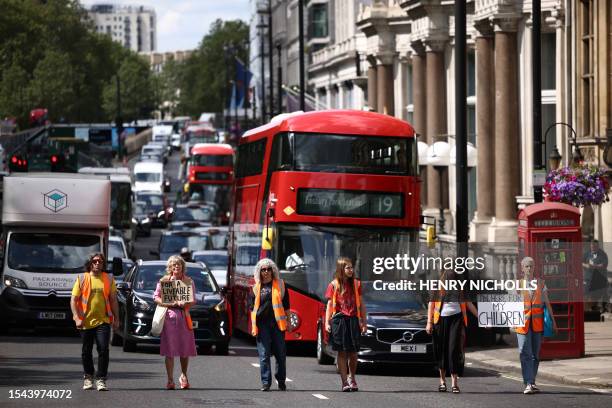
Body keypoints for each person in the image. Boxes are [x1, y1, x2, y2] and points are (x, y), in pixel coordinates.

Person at [70, 252, 120, 391]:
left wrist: (117, 319)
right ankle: (88, 377)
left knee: (103, 349)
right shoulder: (82, 278)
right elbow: (73, 300)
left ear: (103, 264)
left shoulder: (109, 279)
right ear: (90, 263)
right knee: (86, 351)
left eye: (100, 262)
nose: (97, 263)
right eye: (95, 261)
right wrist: (76, 317)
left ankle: (101, 379)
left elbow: (113, 300)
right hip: (85, 321)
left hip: (103, 321)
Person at [426, 270, 478, 394]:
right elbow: (431, 305)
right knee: (441, 350)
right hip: (440, 321)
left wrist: (481, 318)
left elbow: (468, 304)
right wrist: (429, 322)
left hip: (456, 319)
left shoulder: (459, 288)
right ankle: (442, 382)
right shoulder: (438, 288)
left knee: (453, 349)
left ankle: (454, 383)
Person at [514, 257, 557, 394]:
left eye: (531, 266)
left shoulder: (541, 283)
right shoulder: (517, 284)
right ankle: (528, 383)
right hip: (522, 324)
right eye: (526, 266)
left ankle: (531, 382)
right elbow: (509, 305)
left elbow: (547, 303)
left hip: (537, 325)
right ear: (522, 268)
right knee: (524, 353)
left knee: (535, 355)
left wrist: (553, 320)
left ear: (534, 268)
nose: (529, 268)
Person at [153, 255, 197, 390]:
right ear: (170, 268)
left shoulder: (189, 281)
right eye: (174, 265)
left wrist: (187, 303)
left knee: (185, 350)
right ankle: (170, 379)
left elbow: (194, 300)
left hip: (184, 317)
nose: (176, 267)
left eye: (179, 265)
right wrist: (169, 302)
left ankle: (184, 376)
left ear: (183, 267)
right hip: (169, 317)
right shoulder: (164, 281)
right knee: (169, 350)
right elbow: (156, 297)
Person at [324, 257, 367, 392]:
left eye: (351, 267)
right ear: (341, 269)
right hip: (339, 320)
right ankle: (344, 382)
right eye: (347, 267)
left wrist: (364, 322)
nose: (351, 270)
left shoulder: (356, 284)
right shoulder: (333, 285)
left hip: (353, 319)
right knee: (342, 352)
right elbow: (329, 304)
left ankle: (352, 378)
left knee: (353, 352)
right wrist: (327, 322)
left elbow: (362, 304)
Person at [248, 258, 290, 391]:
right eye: (263, 270)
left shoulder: (281, 285)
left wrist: (288, 322)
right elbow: (251, 309)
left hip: (278, 324)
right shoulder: (255, 288)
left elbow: (287, 306)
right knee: (264, 354)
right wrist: (254, 326)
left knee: (280, 354)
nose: (266, 272)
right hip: (262, 325)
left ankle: (281, 380)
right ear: (259, 272)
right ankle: (266, 382)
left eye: (268, 269)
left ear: (273, 271)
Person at [582, 240, 609, 312]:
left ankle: (603, 308)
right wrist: (586, 265)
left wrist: (594, 266)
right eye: (592, 246)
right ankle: (590, 309)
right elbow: (581, 262)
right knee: (587, 294)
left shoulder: (602, 254)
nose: (593, 248)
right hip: (588, 279)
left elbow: (604, 265)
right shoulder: (587, 253)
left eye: (595, 246)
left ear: (598, 246)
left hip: (599, 279)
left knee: (600, 295)